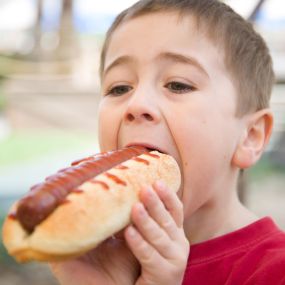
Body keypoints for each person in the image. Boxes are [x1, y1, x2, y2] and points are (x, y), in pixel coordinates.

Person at [50, 0, 285, 284]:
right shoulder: (100, 255)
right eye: (119, 87)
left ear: (250, 137)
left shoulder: (273, 269)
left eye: (178, 84)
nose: (136, 104)